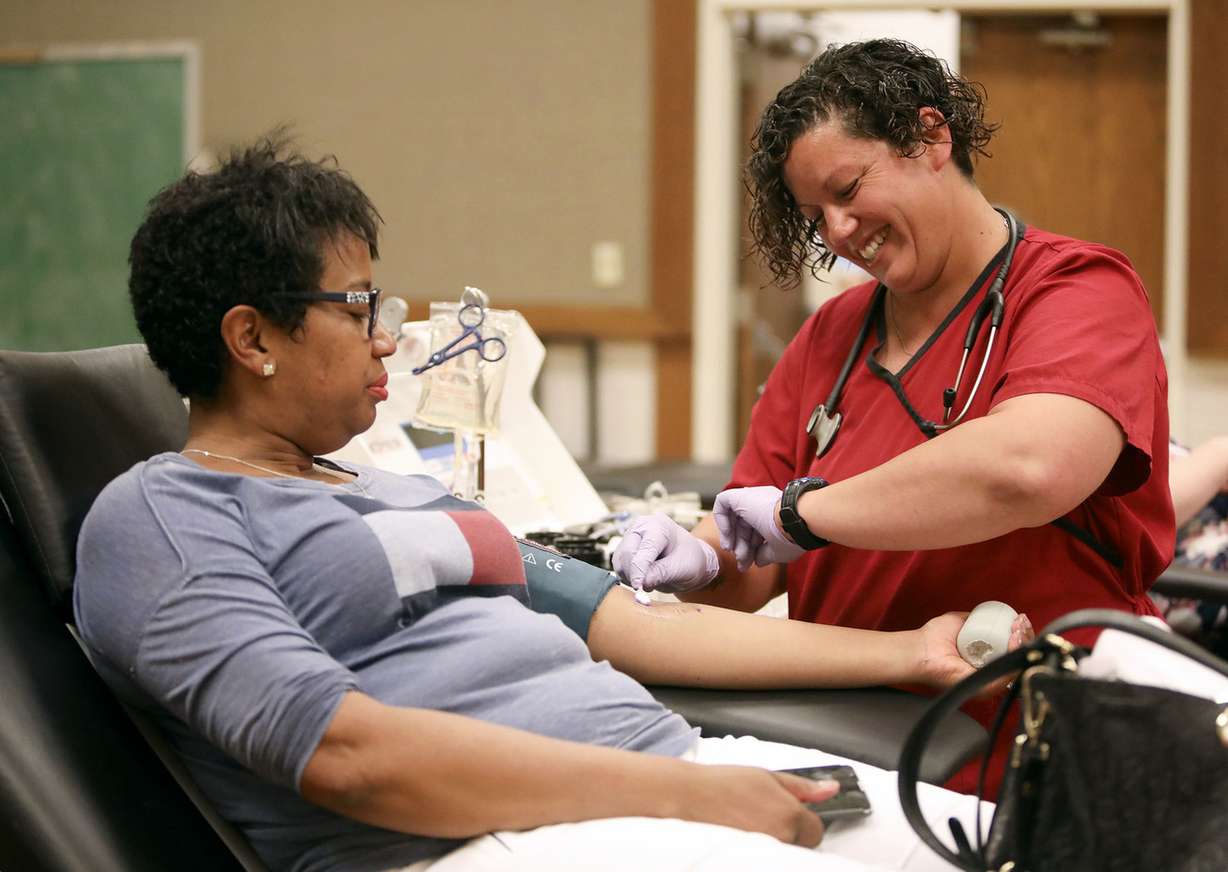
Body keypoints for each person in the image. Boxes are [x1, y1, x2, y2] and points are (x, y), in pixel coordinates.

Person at [71, 138, 1023, 872]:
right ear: (252, 337)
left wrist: (910, 652)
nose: (389, 342)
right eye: (361, 308)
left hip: (666, 774)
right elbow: (352, 756)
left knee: (1041, 839)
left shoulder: (393, 489)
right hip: (485, 841)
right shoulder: (162, 518)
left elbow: (641, 629)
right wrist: (691, 801)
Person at [614, 39, 1174, 796]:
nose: (840, 232)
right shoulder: (831, 338)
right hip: (855, 739)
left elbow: (1028, 469)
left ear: (932, 137)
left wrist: (803, 513)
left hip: (1039, 745)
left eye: (849, 189)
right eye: (817, 216)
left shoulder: (1078, 290)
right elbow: (756, 558)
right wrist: (699, 556)